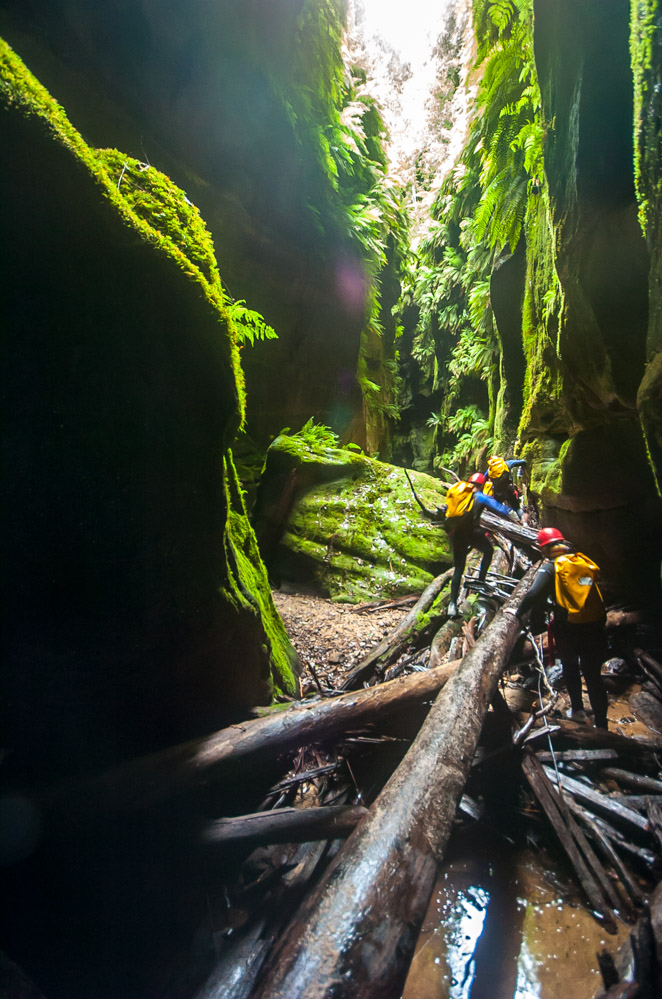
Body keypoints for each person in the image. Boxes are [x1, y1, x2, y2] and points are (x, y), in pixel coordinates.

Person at [505, 527, 609, 729]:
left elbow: (534, 594)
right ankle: (602, 724)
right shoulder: (580, 561)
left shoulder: (551, 568)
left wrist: (517, 615)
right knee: (593, 675)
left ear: (544, 549)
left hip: (569, 628)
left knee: (570, 667)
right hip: (595, 626)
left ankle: (578, 711)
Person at [444, 472, 521, 618]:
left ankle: (452, 605)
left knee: (458, 569)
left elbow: (446, 512)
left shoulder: (458, 492)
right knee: (489, 551)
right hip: (473, 534)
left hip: (457, 535)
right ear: (482, 484)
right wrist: (516, 513)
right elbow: (500, 509)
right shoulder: (480, 496)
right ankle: (480, 581)